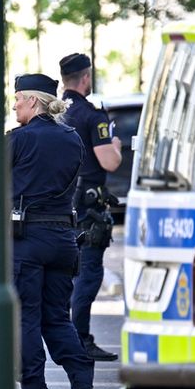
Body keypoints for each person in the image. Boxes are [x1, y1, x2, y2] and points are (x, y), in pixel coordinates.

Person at [9, 73, 99, 389]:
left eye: (18, 97)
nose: (15, 104)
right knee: (58, 319)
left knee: (27, 319)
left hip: (27, 240)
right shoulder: (73, 138)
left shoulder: (17, 140)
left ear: (33, 100)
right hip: (63, 239)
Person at [59, 53, 122, 362]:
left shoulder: (56, 113)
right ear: (85, 78)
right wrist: (117, 146)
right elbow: (109, 161)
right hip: (88, 206)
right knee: (89, 272)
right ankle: (79, 338)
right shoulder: (91, 115)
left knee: (70, 272)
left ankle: (67, 334)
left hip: (60, 204)